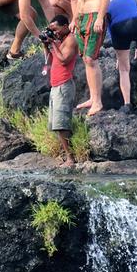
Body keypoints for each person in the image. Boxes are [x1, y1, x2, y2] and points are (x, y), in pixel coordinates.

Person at [67, 0, 111, 116]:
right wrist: (74, 19)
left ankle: (98, 101)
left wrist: (100, 17)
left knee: (90, 59)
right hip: (82, 17)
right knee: (85, 59)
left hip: (94, 16)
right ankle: (93, 98)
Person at [44, 14, 79, 167]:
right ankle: (67, 156)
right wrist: (47, 45)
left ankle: (70, 159)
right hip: (55, 85)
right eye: (52, 30)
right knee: (56, 124)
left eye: (56, 29)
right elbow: (50, 60)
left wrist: (53, 43)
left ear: (65, 26)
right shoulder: (60, 41)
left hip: (64, 85)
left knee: (61, 124)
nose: (55, 33)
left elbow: (64, 59)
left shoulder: (71, 40)